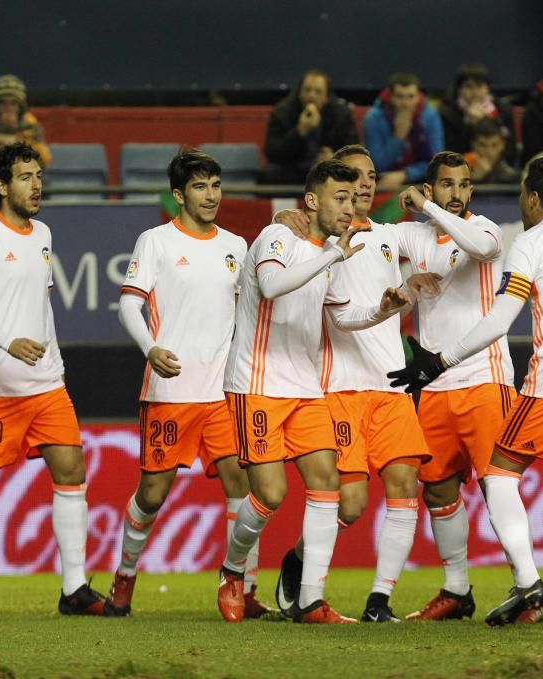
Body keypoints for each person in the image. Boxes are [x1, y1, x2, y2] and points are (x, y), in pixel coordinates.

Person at [389, 156, 543, 628]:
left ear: (534, 198)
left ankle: (527, 584)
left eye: (522, 193)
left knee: (499, 475)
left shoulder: (531, 241)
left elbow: (501, 319)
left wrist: (440, 360)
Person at [220, 160, 411, 624]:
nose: (349, 208)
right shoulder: (277, 238)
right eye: (339, 199)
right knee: (269, 494)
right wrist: (330, 255)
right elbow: (270, 285)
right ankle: (232, 570)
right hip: (257, 383)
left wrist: (380, 311)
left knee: (328, 485)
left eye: (352, 199)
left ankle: (309, 600)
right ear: (311, 201)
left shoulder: (331, 252)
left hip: (305, 387)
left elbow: (342, 316)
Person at [104, 149, 274, 621]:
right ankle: (125, 574)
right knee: (152, 495)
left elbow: (253, 313)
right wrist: (151, 349)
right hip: (171, 391)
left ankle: (243, 583)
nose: (211, 195)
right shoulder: (155, 242)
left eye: (216, 186)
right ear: (179, 194)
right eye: (200, 187)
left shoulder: (238, 246)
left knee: (241, 486)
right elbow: (128, 305)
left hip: (222, 391)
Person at [272, 145, 434, 623]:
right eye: (354, 179)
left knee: (406, 487)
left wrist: (408, 288)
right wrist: (285, 216)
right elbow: (282, 238)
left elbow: (451, 236)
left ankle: (379, 601)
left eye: (370, 176)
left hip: (391, 389)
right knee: (351, 503)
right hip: (339, 387)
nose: (365, 185)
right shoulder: (314, 240)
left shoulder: (391, 236)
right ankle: (299, 562)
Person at [0, 142, 102, 617]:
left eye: (38, 176)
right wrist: (8, 341)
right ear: (1, 185)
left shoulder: (43, 233)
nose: (37, 185)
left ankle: (74, 588)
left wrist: (52, 356)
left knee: (71, 471)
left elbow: (40, 304)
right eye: (26, 177)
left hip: (45, 383)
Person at [387, 151, 516, 622]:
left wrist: (427, 207)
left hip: (485, 378)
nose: (457, 194)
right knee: (438, 490)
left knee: (497, 487)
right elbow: (365, 236)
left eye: (463, 185)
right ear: (431, 184)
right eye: (446, 185)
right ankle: (457, 590)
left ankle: (526, 587)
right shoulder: (410, 236)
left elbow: (481, 252)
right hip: (435, 385)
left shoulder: (487, 230)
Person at [259, 70, 359, 185]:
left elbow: (353, 149)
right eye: (307, 90)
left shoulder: (341, 114)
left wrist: (335, 158)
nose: (311, 96)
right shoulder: (283, 112)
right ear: (299, 94)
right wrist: (299, 133)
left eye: (318, 92)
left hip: (328, 171)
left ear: (326, 98)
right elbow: (272, 153)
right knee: (269, 175)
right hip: (294, 168)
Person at [363, 72, 444, 190]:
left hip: (421, 182)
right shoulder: (374, 118)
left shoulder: (430, 116)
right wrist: (398, 137)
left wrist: (405, 174)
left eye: (411, 97)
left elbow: (437, 163)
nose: (405, 104)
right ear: (390, 97)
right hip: (383, 182)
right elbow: (376, 166)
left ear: (418, 96)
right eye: (400, 97)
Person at [439, 63, 517, 167]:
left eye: (479, 86)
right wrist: (470, 126)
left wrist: (485, 122)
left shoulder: (504, 110)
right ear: (459, 89)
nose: (475, 92)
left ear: (488, 88)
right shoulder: (447, 114)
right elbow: (451, 153)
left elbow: (511, 150)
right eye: (469, 87)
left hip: (499, 167)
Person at [465, 119, 521, 184]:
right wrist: (473, 179)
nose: (489, 152)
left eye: (494, 145)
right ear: (473, 145)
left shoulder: (514, 178)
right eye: (482, 145)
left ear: (503, 144)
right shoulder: (460, 173)